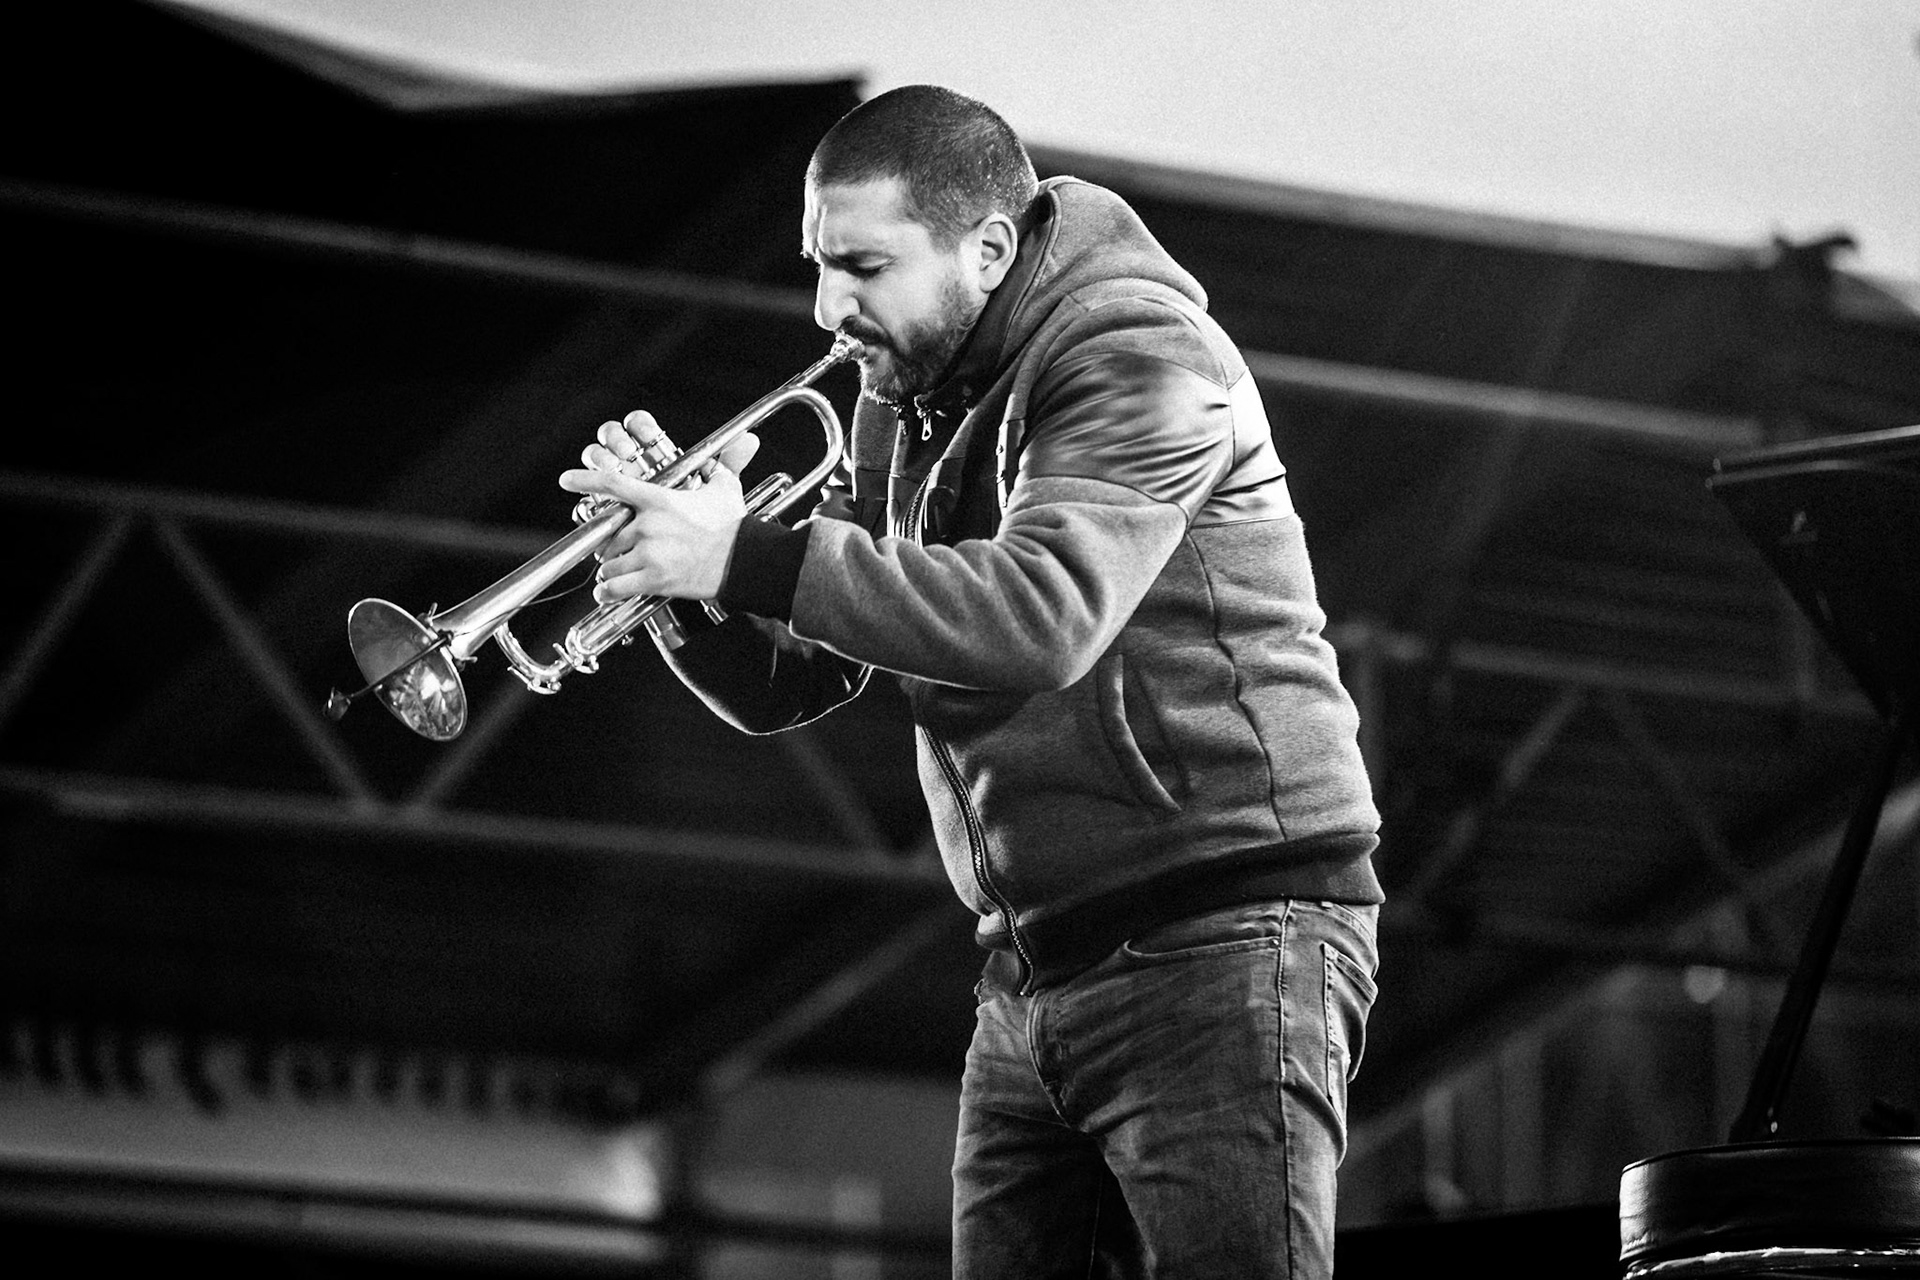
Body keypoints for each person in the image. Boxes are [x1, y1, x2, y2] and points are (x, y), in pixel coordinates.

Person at [560, 84, 1383, 1280]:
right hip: (1034, 970)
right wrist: (685, 578)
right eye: (818, 264)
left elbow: (1043, 614)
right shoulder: (902, 393)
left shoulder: (1138, 352)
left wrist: (745, 550)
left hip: (1225, 931)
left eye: (863, 265)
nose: (829, 308)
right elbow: (802, 679)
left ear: (986, 249)